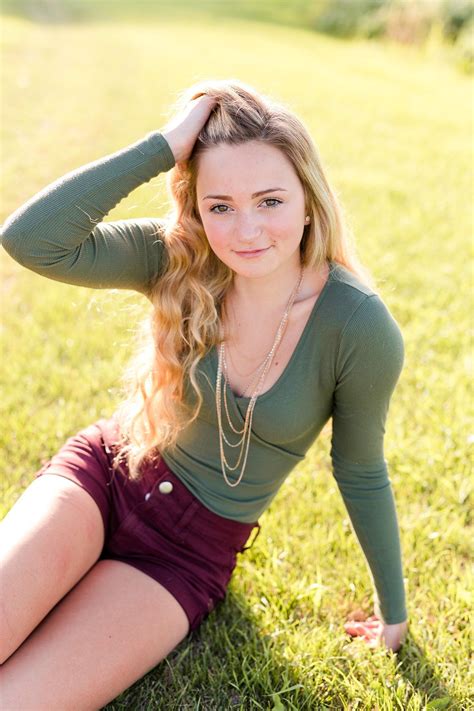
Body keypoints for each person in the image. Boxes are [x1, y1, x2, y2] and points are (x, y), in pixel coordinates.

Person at [0, 79, 408, 707]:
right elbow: (31, 240)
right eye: (220, 205)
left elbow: (359, 469)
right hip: (106, 477)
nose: (246, 229)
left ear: (308, 199)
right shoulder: (178, 258)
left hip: (185, 555)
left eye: (269, 200)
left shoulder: (358, 327)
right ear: (197, 207)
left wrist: (394, 614)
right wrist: (165, 146)